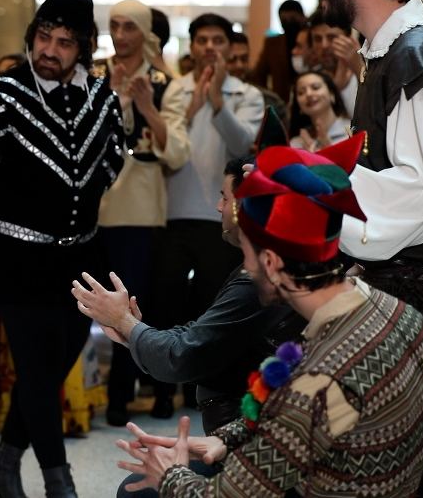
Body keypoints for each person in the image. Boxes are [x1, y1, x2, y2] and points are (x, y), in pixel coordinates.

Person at [108, 135, 423, 497]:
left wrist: (168, 474)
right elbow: (312, 421)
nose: (246, 268)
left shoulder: (315, 382)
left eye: (249, 254)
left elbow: (224, 494)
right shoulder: (400, 314)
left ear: (270, 261)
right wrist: (225, 438)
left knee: (137, 491)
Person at [0, 0, 127, 498]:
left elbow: (114, 157)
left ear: (83, 48)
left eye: (65, 42)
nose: (50, 50)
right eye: (44, 37)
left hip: (81, 256)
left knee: (52, 365)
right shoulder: (2, 96)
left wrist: (82, 194)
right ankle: (58, 481)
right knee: (37, 371)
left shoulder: (102, 99)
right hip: (16, 260)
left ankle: (3, 465)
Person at [73, 155, 306, 498]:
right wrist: (132, 331)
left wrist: (124, 322)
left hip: (263, 456)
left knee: (137, 491)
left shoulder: (261, 280)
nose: (218, 207)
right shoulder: (265, 270)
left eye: (225, 197)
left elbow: (183, 355)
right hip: (244, 436)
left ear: (248, 207)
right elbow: (198, 334)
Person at [313, 0, 423, 493]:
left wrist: (319, 187)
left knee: (420, 472)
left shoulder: (417, 54)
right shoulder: (389, 51)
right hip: (401, 294)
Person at [148, 13, 264, 418]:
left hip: (222, 218)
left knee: (211, 305)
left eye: (218, 40)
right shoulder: (175, 89)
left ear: (230, 47)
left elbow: (242, 145)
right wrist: (194, 104)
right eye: (202, 40)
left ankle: (205, 388)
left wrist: (216, 102)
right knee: (167, 302)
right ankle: (163, 392)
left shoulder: (247, 94)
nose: (210, 47)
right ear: (192, 46)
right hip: (176, 212)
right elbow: (167, 146)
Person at [97, 0, 189, 426]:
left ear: (146, 32)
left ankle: (135, 395)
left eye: (129, 26)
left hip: (141, 211)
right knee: (94, 303)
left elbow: (178, 153)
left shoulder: (167, 84)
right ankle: (102, 393)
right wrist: (114, 99)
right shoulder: (94, 76)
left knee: (136, 304)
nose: (120, 35)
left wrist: (147, 107)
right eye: (114, 25)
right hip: (94, 210)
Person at [250, 0, 306, 100]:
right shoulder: (273, 44)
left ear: (302, 18)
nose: (288, 23)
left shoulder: (310, 40)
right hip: (281, 100)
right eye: (284, 20)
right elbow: (259, 74)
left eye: (292, 19)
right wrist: (268, 98)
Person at [228, 32, 287, 124]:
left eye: (244, 59)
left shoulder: (270, 102)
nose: (239, 65)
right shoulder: (210, 98)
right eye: (232, 59)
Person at [288, 70, 350, 151]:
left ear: (332, 94)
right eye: (301, 92)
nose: (308, 94)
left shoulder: (352, 131)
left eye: (315, 87)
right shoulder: (296, 144)